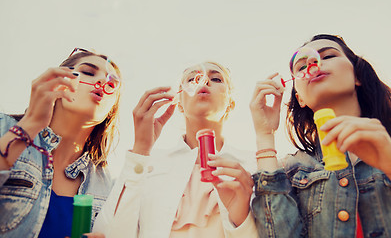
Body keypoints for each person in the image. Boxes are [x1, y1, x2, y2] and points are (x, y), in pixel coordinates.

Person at [93, 61, 258, 237]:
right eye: (192, 79)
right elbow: (109, 233)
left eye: (216, 78)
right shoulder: (149, 164)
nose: (204, 81)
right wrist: (140, 150)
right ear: (179, 102)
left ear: (230, 103)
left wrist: (242, 220)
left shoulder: (252, 167)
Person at [250, 34, 391, 237]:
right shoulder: (289, 171)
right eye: (300, 67)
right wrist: (264, 134)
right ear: (299, 98)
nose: (312, 63)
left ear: (357, 76)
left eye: (328, 56)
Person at [0, 48, 122, 238]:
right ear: (58, 80)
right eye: (88, 72)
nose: (101, 82)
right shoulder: (3, 128)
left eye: (112, 83)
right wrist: (30, 124)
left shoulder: (108, 184)